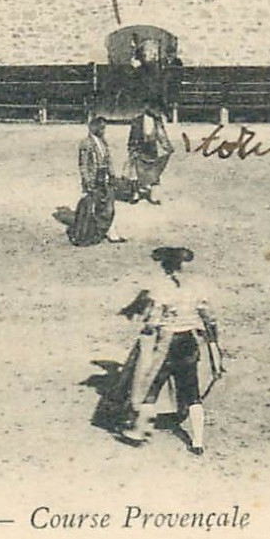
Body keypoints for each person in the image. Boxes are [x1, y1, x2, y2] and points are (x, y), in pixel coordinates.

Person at [117, 246, 222, 454]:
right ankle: (198, 442)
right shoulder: (195, 287)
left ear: (165, 266)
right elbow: (209, 317)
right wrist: (214, 343)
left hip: (167, 343)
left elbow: (153, 320)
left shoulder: (162, 288)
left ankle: (139, 433)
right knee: (192, 392)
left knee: (152, 387)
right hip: (189, 342)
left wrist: (147, 328)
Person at [70, 118, 125, 246]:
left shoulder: (103, 142)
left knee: (109, 205)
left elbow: (108, 160)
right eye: (101, 128)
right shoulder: (86, 143)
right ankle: (86, 234)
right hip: (94, 179)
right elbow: (83, 165)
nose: (103, 131)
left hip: (104, 178)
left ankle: (111, 232)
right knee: (93, 206)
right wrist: (88, 182)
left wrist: (112, 175)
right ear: (95, 129)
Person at [126, 106, 174, 204]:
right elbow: (132, 136)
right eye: (153, 108)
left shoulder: (157, 121)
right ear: (147, 108)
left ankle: (152, 194)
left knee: (152, 170)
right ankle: (136, 193)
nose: (156, 111)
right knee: (136, 171)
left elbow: (161, 135)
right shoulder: (137, 120)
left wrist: (167, 147)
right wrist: (131, 148)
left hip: (151, 148)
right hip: (139, 147)